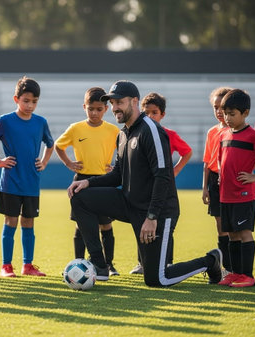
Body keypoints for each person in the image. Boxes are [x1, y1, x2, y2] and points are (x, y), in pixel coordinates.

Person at [67, 80, 222, 286]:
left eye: (119, 102)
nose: (114, 108)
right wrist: (88, 183)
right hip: (130, 204)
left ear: (134, 101)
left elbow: (163, 176)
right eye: (112, 103)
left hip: (158, 212)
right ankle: (100, 265)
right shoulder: (122, 134)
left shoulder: (151, 130)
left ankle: (210, 261)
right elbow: (118, 176)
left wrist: (152, 217)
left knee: (157, 278)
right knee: (80, 197)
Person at [0, 76, 54, 277]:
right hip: (11, 182)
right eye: (26, 101)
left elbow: (50, 144)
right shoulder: (5, 121)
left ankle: (28, 266)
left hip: (31, 183)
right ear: (16, 99)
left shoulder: (40, 122)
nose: (30, 105)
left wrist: (43, 162)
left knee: (29, 222)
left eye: (34, 101)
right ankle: (6, 266)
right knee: (10, 221)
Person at [55, 87, 120, 276]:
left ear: (106, 109)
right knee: (80, 224)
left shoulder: (113, 130)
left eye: (99, 109)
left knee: (105, 224)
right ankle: (79, 262)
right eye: (91, 108)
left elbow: (124, 150)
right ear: (84, 106)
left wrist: (116, 167)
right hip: (81, 180)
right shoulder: (76, 128)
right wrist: (69, 163)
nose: (94, 113)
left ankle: (108, 264)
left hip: (104, 181)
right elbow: (59, 146)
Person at [218, 89, 255, 287]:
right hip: (226, 195)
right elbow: (222, 159)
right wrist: (221, 174)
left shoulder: (253, 135)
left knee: (244, 233)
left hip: (243, 195)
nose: (227, 117)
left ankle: (248, 276)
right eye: (225, 113)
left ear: (245, 113)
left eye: (232, 113)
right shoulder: (225, 134)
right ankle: (235, 273)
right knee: (232, 235)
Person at [130, 92, 193, 274]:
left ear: (162, 115)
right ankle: (142, 262)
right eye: (146, 112)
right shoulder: (139, 133)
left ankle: (168, 262)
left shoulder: (168, 134)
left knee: (165, 227)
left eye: (154, 112)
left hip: (162, 188)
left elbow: (187, 152)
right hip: (144, 190)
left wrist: (175, 171)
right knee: (142, 224)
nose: (150, 116)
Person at [201, 87, 233, 277]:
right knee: (220, 227)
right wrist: (204, 187)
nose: (219, 111)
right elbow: (207, 161)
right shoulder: (212, 131)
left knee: (234, 228)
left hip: (231, 181)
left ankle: (237, 267)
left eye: (223, 107)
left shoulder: (235, 130)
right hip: (214, 181)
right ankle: (226, 268)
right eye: (216, 107)